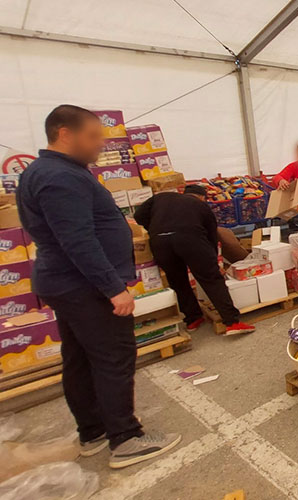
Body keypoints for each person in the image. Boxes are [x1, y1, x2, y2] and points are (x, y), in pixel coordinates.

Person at [16, 104, 181, 468]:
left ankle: (92, 431)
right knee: (113, 358)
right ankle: (125, 438)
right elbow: (77, 239)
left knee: (79, 358)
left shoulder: (45, 171)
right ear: (64, 133)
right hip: (84, 285)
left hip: (66, 282)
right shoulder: (61, 177)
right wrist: (112, 287)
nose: (100, 146)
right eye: (93, 137)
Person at [133, 185, 256, 336]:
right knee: (211, 279)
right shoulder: (201, 206)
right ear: (201, 197)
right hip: (190, 240)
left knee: (177, 281)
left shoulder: (161, 197)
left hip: (160, 242)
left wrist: (155, 227)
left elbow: (138, 215)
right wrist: (213, 261)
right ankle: (232, 322)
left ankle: (192, 319)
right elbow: (212, 236)